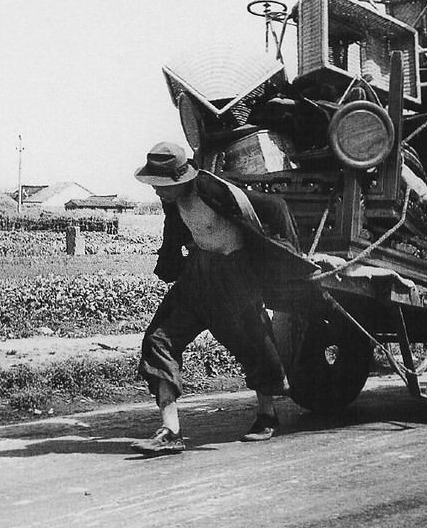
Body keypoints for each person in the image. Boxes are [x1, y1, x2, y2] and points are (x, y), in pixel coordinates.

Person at [130, 142, 314, 457]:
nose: (158, 192)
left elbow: (275, 206)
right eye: (156, 186)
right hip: (198, 273)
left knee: (253, 342)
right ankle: (170, 430)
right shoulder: (172, 201)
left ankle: (267, 415)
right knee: (158, 338)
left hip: (234, 273)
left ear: (180, 179)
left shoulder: (210, 189)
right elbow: (172, 235)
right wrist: (169, 263)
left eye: (162, 186)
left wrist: (289, 258)